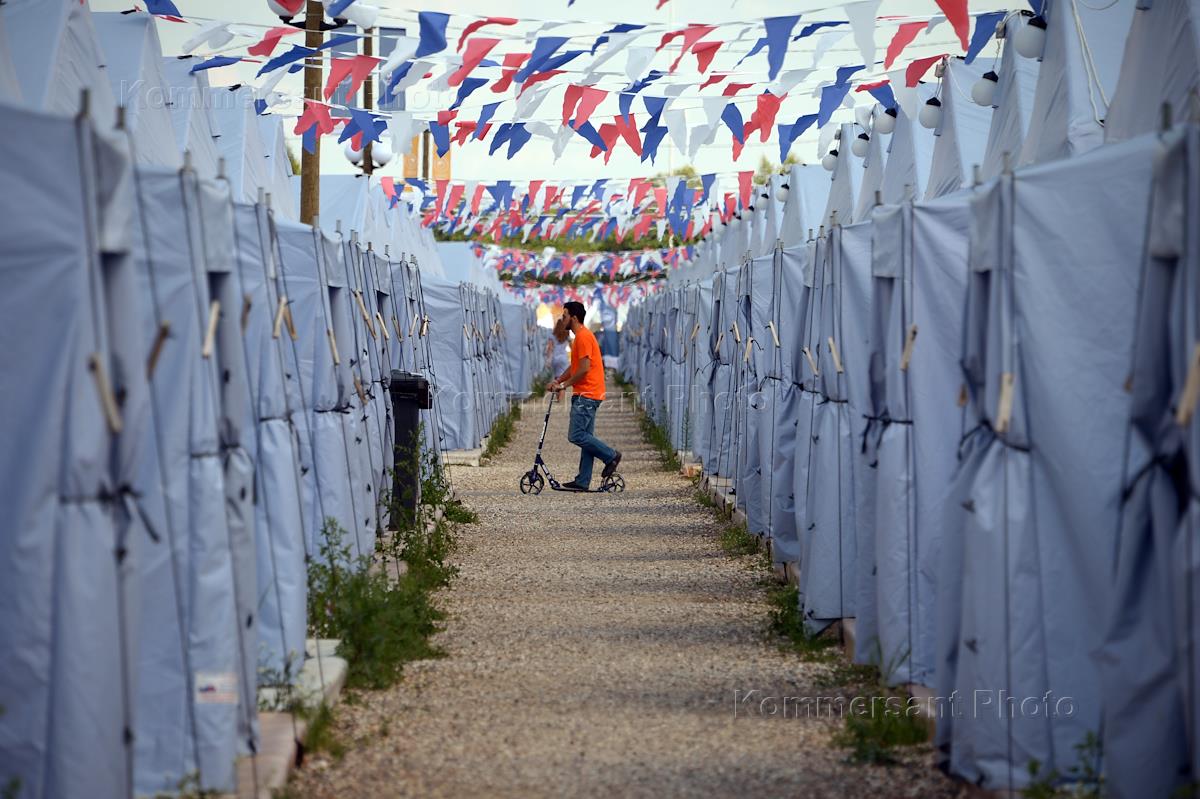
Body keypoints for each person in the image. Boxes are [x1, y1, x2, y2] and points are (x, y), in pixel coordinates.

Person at [547, 301, 621, 491]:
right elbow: (574, 367)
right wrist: (558, 380)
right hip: (588, 393)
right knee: (586, 436)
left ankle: (611, 456)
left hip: (587, 394)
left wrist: (563, 386)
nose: (562, 319)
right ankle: (583, 480)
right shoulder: (580, 337)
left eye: (564, 316)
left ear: (574, 318)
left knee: (576, 435)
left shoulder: (583, 337)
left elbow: (584, 369)